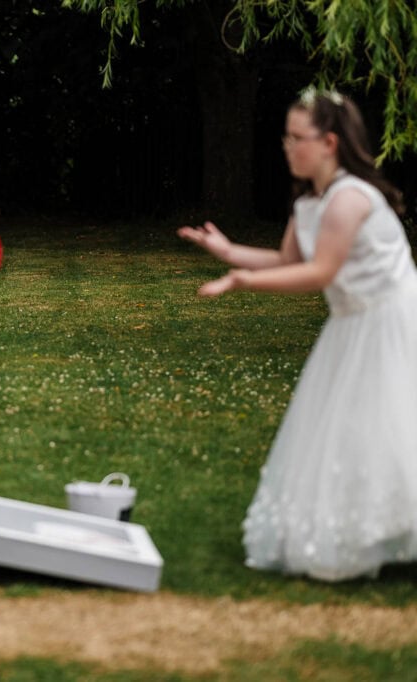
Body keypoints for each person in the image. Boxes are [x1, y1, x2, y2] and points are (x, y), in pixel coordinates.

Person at [178, 88, 417, 581]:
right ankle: (361, 529)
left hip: (390, 321)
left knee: (394, 422)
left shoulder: (350, 199)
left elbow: (320, 272)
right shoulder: (311, 200)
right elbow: (289, 261)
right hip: (352, 325)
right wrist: (228, 252)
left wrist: (244, 282)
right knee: (354, 428)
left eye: (296, 138)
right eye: (285, 137)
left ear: (329, 142)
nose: (287, 147)